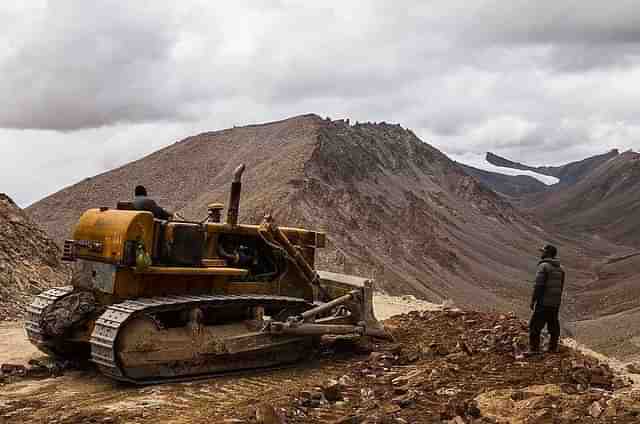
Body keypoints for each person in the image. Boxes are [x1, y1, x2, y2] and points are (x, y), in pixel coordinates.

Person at [528, 244, 566, 355]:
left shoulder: (543, 266)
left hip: (543, 302)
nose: (542, 253)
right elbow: (561, 286)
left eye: (543, 251)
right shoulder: (561, 268)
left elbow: (539, 285)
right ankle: (553, 348)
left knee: (535, 325)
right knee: (553, 324)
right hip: (555, 303)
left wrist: (533, 300)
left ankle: (534, 349)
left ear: (548, 253)